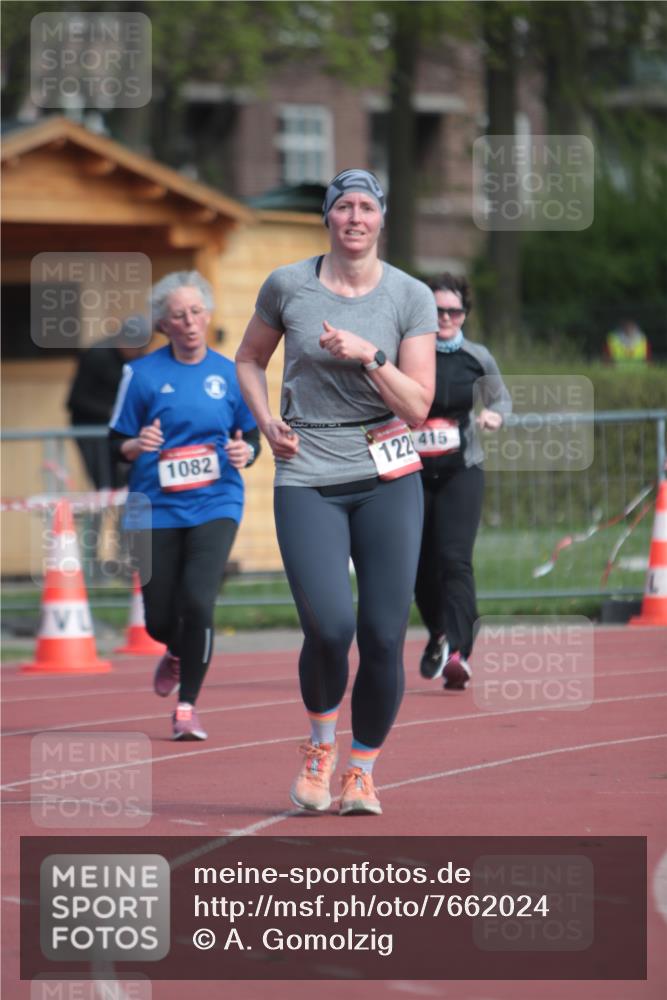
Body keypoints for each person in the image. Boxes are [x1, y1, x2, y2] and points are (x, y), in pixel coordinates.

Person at [235, 168, 437, 816]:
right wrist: (266, 423)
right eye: (343, 206)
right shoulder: (287, 285)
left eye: (366, 207)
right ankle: (320, 749)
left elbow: (418, 404)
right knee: (330, 625)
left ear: (381, 218)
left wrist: (369, 355)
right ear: (328, 216)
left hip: (386, 470)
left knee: (381, 633)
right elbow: (247, 359)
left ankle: (361, 771)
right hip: (307, 470)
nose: (354, 218)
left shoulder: (409, 296)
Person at [108, 271, 260, 741]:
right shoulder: (141, 374)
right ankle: (176, 649)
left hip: (217, 500)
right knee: (157, 618)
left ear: (208, 316)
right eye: (179, 315)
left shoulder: (231, 373)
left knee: (198, 600)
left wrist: (246, 453)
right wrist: (138, 443)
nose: (190, 321)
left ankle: (187, 707)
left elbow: (250, 436)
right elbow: (117, 443)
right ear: (163, 324)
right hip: (154, 505)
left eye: (196, 312)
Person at [413, 274, 510, 690]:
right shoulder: (409, 353)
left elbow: (500, 396)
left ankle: (459, 652)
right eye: (437, 311)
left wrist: (494, 415)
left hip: (461, 470)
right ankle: (437, 631)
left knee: (455, 560)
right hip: (412, 473)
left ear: (464, 315)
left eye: (454, 311)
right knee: (418, 566)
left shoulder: (476, 356)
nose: (446, 318)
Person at [67, 316, 150, 489]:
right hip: (92, 428)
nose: (136, 351)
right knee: (106, 483)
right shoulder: (96, 355)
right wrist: (110, 411)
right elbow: (75, 400)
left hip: (121, 430)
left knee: (133, 480)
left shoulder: (139, 360)